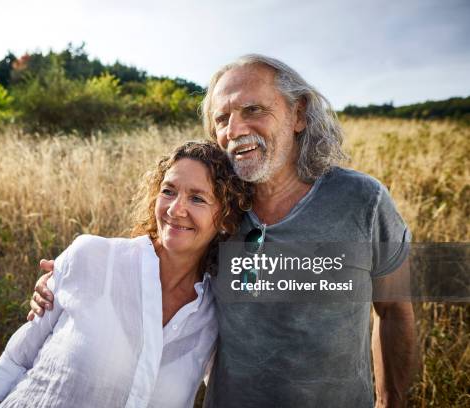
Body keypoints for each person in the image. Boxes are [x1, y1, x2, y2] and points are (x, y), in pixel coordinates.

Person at [30, 55, 416, 407]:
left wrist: (390, 402)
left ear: (298, 114)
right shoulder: (218, 207)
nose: (234, 130)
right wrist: (66, 283)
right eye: (221, 118)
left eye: (253, 110)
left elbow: (394, 310)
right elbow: (152, 261)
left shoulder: (362, 201)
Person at [0, 141, 251, 408]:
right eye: (168, 191)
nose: (175, 209)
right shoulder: (92, 257)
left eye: (197, 198)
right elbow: (15, 362)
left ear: (226, 218)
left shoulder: (213, 314)